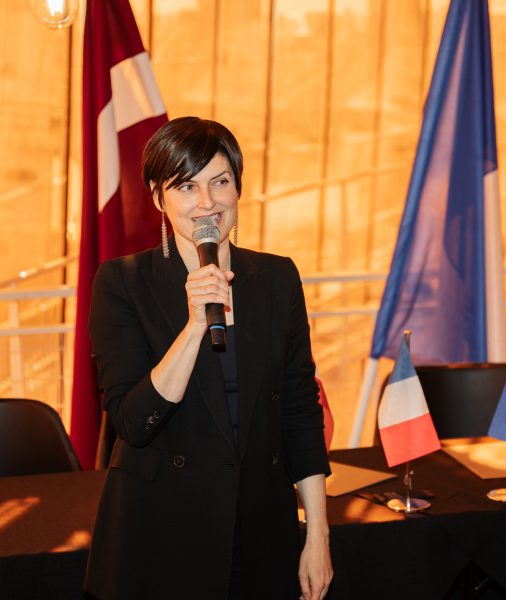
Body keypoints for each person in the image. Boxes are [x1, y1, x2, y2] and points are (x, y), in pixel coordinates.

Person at [83, 117, 333, 600]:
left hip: (260, 528)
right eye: (186, 186)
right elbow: (133, 422)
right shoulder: (122, 282)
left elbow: (300, 411)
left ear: (238, 187)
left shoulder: (277, 278)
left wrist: (317, 534)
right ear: (158, 198)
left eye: (220, 182)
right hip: (162, 531)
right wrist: (195, 324)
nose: (207, 202)